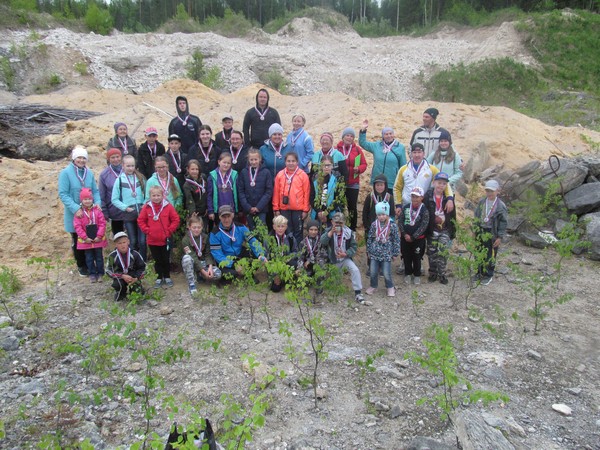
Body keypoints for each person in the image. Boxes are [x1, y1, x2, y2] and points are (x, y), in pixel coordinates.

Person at [58, 145, 101, 276]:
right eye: (79, 158)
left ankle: (91, 264)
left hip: (90, 213)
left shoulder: (89, 173)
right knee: (77, 238)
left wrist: (98, 203)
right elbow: (63, 194)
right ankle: (81, 265)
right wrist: (75, 208)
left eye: (84, 158)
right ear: (74, 158)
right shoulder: (65, 173)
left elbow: (95, 191)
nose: (81, 160)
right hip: (75, 213)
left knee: (90, 237)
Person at [138, 185, 181, 288]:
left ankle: (167, 276)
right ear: (150, 196)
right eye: (154, 195)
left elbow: (176, 219)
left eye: (158, 195)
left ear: (162, 196)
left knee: (166, 259)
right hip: (152, 240)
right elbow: (140, 220)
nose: (156, 197)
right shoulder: (147, 207)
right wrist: (147, 231)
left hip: (166, 239)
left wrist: (169, 230)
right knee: (157, 260)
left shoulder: (168, 206)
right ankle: (158, 277)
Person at [209, 205, 267, 280]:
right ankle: (237, 274)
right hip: (226, 257)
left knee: (258, 258)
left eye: (228, 216)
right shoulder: (214, 233)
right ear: (219, 217)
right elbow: (217, 254)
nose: (226, 220)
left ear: (232, 215)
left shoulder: (241, 227)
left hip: (240, 253)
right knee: (229, 274)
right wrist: (233, 265)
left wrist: (260, 254)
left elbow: (253, 241)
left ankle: (248, 274)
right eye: (223, 217)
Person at [394, 143, 454, 211]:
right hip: (406, 205)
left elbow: (445, 183)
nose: (417, 155)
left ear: (424, 153)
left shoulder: (432, 169)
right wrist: (398, 205)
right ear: (411, 154)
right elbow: (397, 188)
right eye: (414, 152)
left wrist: (450, 199)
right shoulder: (403, 169)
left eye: (419, 152)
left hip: (424, 207)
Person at [321, 212, 364, 304]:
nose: (338, 225)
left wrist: (346, 253)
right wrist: (331, 233)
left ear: (344, 223)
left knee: (355, 270)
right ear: (332, 222)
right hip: (333, 260)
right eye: (336, 222)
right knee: (336, 283)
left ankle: (358, 292)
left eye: (340, 223)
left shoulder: (349, 233)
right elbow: (322, 242)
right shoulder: (328, 231)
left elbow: (354, 247)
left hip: (345, 259)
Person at [111, 155, 147, 261]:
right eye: (128, 166)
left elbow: (147, 195)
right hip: (129, 215)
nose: (130, 168)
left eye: (132, 166)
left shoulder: (141, 178)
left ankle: (143, 262)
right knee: (133, 241)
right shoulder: (119, 180)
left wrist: (144, 204)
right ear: (123, 166)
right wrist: (125, 208)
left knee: (142, 241)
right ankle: (132, 262)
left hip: (141, 213)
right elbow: (114, 199)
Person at [473, 180, 508, 286]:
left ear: (497, 191)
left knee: (490, 254)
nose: (489, 193)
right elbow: (476, 216)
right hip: (481, 231)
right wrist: (475, 230)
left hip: (492, 233)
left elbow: (503, 222)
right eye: (487, 190)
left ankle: (488, 274)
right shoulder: (482, 202)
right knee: (478, 252)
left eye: (492, 191)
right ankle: (479, 272)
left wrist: (499, 237)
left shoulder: (500, 206)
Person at [424, 173, 456, 285]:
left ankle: (442, 273)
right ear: (434, 183)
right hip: (432, 229)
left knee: (443, 251)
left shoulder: (449, 199)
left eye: (443, 183)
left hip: (445, 229)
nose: (440, 185)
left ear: (446, 185)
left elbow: (453, 216)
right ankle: (433, 273)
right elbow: (424, 214)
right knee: (432, 252)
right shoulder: (427, 196)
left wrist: (453, 231)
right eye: (439, 183)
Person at [359, 120, 407, 194]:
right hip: (378, 182)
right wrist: (363, 130)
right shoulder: (377, 146)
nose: (388, 136)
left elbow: (403, 166)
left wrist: (403, 182)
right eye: (386, 134)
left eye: (390, 133)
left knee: (390, 203)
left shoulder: (400, 147)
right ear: (383, 136)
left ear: (393, 134)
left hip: (392, 182)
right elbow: (363, 143)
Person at [273, 152, 310, 245]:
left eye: (293, 161)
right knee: (286, 231)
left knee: (298, 232)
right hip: (283, 209)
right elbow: (276, 192)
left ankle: (298, 254)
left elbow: (306, 193)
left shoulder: (303, 175)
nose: (291, 163)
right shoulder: (280, 175)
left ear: (297, 162)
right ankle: (287, 251)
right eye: (288, 161)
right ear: (285, 162)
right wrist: (276, 208)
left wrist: (305, 210)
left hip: (298, 210)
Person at [362, 173, 395, 275]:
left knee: (383, 247)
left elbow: (392, 214)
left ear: (385, 186)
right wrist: (367, 226)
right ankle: (370, 266)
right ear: (374, 185)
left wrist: (389, 227)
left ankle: (381, 267)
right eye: (377, 185)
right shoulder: (370, 197)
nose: (379, 187)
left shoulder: (390, 198)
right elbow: (365, 213)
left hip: (385, 229)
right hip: (371, 228)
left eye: (381, 185)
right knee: (371, 247)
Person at [73, 188, 108, 283]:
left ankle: (101, 273)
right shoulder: (79, 213)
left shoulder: (98, 210)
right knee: (89, 258)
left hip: (98, 239)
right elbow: (77, 227)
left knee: (99, 257)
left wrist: (99, 236)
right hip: (86, 241)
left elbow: (102, 223)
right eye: (85, 199)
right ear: (81, 200)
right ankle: (92, 274)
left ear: (92, 199)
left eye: (89, 199)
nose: (87, 201)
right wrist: (85, 237)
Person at [365, 202, 400, 297]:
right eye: (379, 214)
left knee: (386, 272)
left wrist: (395, 253)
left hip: (387, 253)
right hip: (374, 252)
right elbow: (370, 237)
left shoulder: (392, 225)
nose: (381, 217)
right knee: (373, 271)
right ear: (377, 215)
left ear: (387, 214)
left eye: (383, 214)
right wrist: (368, 250)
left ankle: (390, 287)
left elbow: (396, 239)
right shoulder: (374, 224)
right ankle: (373, 285)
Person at [181, 216, 222, 295]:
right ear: (189, 227)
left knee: (217, 273)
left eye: (199, 227)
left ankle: (199, 276)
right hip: (192, 263)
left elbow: (208, 253)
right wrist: (203, 271)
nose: (196, 229)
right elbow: (193, 257)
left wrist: (210, 267)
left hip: (203, 263)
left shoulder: (205, 237)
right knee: (187, 258)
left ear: (202, 227)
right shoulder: (185, 240)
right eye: (194, 227)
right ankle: (191, 283)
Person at [398, 186, 430, 285]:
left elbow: (424, 225)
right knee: (406, 256)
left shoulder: (424, 210)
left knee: (417, 257)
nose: (415, 199)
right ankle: (407, 273)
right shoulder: (406, 207)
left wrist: (413, 237)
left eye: (417, 197)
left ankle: (417, 275)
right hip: (405, 238)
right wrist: (404, 234)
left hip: (418, 239)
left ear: (422, 197)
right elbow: (400, 221)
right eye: (413, 196)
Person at [336, 127, 367, 231]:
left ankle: (352, 229)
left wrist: (358, 169)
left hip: (353, 183)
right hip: (340, 183)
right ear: (343, 137)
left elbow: (364, 164)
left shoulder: (357, 150)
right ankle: (339, 228)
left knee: (352, 207)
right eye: (347, 135)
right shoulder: (337, 149)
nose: (349, 138)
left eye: (351, 136)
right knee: (339, 206)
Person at [237, 147, 273, 230]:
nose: (253, 162)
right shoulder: (244, 172)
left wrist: (258, 207)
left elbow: (268, 191)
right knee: (251, 229)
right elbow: (241, 191)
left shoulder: (266, 172)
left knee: (261, 230)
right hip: (248, 209)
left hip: (261, 209)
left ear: (260, 159)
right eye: (251, 160)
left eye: (256, 159)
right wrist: (248, 207)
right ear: (248, 160)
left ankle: (262, 244)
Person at [106, 232, 146, 301]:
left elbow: (143, 268)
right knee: (118, 285)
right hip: (120, 276)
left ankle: (135, 290)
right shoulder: (112, 256)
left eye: (124, 242)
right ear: (115, 244)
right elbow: (108, 270)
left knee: (138, 295)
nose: (122, 245)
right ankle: (121, 293)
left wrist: (136, 278)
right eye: (119, 243)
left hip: (133, 276)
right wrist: (122, 276)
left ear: (128, 242)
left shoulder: (135, 254)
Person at [264, 215, 298, 292]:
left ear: (286, 227)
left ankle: (287, 278)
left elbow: (296, 252)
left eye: (282, 226)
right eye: (278, 226)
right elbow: (266, 255)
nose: (280, 229)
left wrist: (289, 257)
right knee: (275, 289)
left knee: (294, 265)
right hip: (274, 264)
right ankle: (277, 278)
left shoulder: (291, 238)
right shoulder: (268, 239)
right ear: (274, 227)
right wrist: (275, 274)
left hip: (286, 262)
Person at [310, 154, 345, 228]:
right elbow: (311, 197)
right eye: (324, 165)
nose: (326, 167)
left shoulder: (338, 179)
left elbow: (338, 199)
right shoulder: (315, 179)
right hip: (317, 213)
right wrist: (319, 212)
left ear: (332, 166)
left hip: (332, 213)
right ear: (320, 166)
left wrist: (326, 212)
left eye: (328, 165)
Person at [99, 148, 126, 235]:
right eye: (112, 157)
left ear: (121, 157)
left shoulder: (127, 170)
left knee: (132, 239)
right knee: (119, 238)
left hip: (129, 210)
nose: (115, 160)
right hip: (114, 212)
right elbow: (102, 195)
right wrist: (104, 211)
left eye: (117, 157)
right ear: (108, 159)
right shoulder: (104, 174)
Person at [207, 152, 239, 224]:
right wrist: (211, 210)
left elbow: (238, 193)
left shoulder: (234, 175)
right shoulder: (212, 176)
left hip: (231, 210)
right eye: (224, 162)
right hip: (218, 210)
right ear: (219, 162)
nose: (226, 165)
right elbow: (209, 195)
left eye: (228, 163)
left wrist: (238, 210)